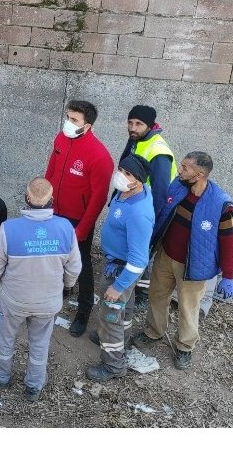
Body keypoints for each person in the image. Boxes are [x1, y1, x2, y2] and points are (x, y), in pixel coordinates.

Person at [0, 177, 80, 402]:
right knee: (40, 342)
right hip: (48, 302)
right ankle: (34, 385)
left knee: (5, 338)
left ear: (26, 198)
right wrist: (68, 287)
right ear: (52, 200)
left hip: (14, 300)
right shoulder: (65, 228)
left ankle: (0, 375)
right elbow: (74, 268)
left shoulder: (8, 229)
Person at [133, 151, 233, 370]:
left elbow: (228, 242)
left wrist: (228, 275)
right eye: (181, 166)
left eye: (185, 168)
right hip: (166, 255)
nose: (180, 171)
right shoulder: (178, 186)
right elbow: (162, 214)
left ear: (199, 175)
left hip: (194, 266)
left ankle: (184, 346)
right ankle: (154, 332)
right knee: (157, 295)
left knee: (188, 307)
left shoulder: (221, 205)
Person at [43, 99, 114, 338]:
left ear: (88, 126)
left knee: (81, 264)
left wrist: (83, 228)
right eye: (68, 117)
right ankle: (59, 292)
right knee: (53, 255)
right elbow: (51, 171)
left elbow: (98, 198)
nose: (68, 123)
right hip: (54, 211)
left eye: (74, 120)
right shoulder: (61, 139)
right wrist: (44, 203)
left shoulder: (99, 156)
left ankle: (83, 311)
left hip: (77, 219)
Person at [85, 155, 154, 382]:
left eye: (128, 174)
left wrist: (118, 285)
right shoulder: (126, 193)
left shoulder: (138, 214)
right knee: (124, 309)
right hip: (117, 265)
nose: (121, 175)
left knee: (110, 316)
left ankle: (114, 365)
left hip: (121, 271)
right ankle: (119, 341)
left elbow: (138, 260)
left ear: (139, 181)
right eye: (121, 169)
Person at [121, 104, 178, 302]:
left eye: (138, 123)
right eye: (130, 122)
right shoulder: (138, 140)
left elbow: (160, 192)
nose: (133, 127)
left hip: (148, 211)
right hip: (135, 205)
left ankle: (142, 294)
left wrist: (148, 223)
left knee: (141, 250)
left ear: (150, 125)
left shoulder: (158, 151)